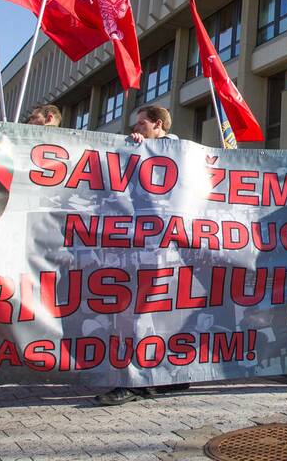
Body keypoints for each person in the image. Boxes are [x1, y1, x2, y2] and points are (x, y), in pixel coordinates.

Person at [96, 106, 188, 405]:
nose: (135, 129)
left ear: (157, 125)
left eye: (141, 123)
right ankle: (145, 378)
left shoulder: (178, 152)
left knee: (154, 316)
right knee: (140, 315)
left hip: (165, 250)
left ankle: (151, 379)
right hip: (143, 248)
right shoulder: (141, 150)